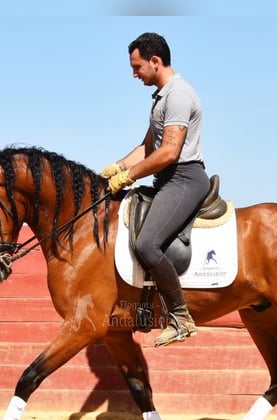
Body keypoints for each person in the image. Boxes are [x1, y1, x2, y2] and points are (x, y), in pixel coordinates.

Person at [100, 32, 210, 347]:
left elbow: (169, 152)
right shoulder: (162, 97)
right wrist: (117, 167)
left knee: (147, 244)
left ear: (155, 61)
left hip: (184, 178)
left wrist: (130, 176)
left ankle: (180, 317)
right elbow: (149, 147)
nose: (135, 74)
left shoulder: (178, 95)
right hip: (168, 178)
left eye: (137, 67)